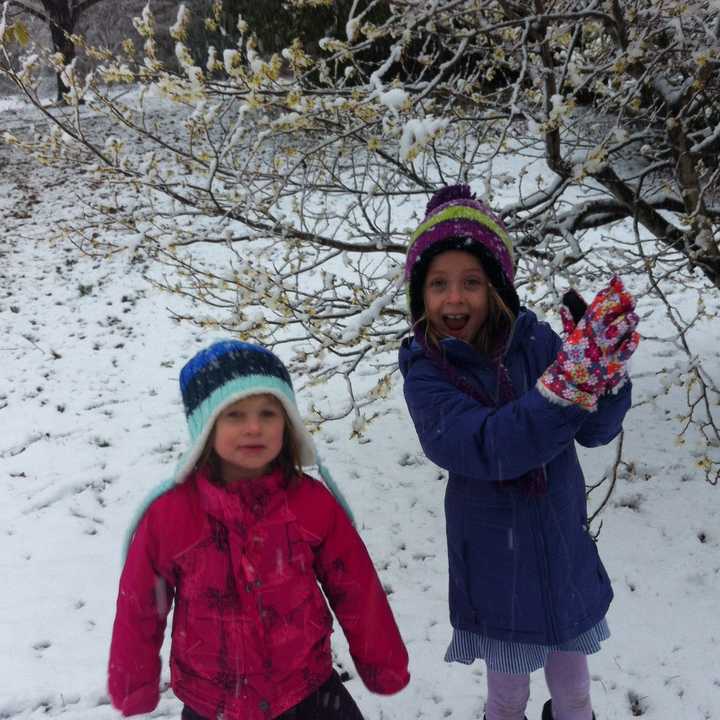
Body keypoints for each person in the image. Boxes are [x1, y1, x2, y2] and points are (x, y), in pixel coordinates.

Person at [398, 185, 639, 720]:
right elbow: (490, 447)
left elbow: (593, 430)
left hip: (562, 556)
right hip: (497, 571)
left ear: (498, 287)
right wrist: (564, 389)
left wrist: (605, 376)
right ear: (420, 295)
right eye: (438, 284)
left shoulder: (537, 343)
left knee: (576, 694)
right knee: (508, 698)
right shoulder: (428, 375)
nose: (454, 299)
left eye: (471, 282)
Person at [108, 340, 410, 720]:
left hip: (308, 692)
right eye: (234, 414)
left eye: (268, 413)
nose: (254, 427)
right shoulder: (172, 516)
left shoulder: (309, 503)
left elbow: (355, 585)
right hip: (213, 701)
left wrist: (382, 660)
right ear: (206, 426)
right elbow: (141, 603)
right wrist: (134, 682)